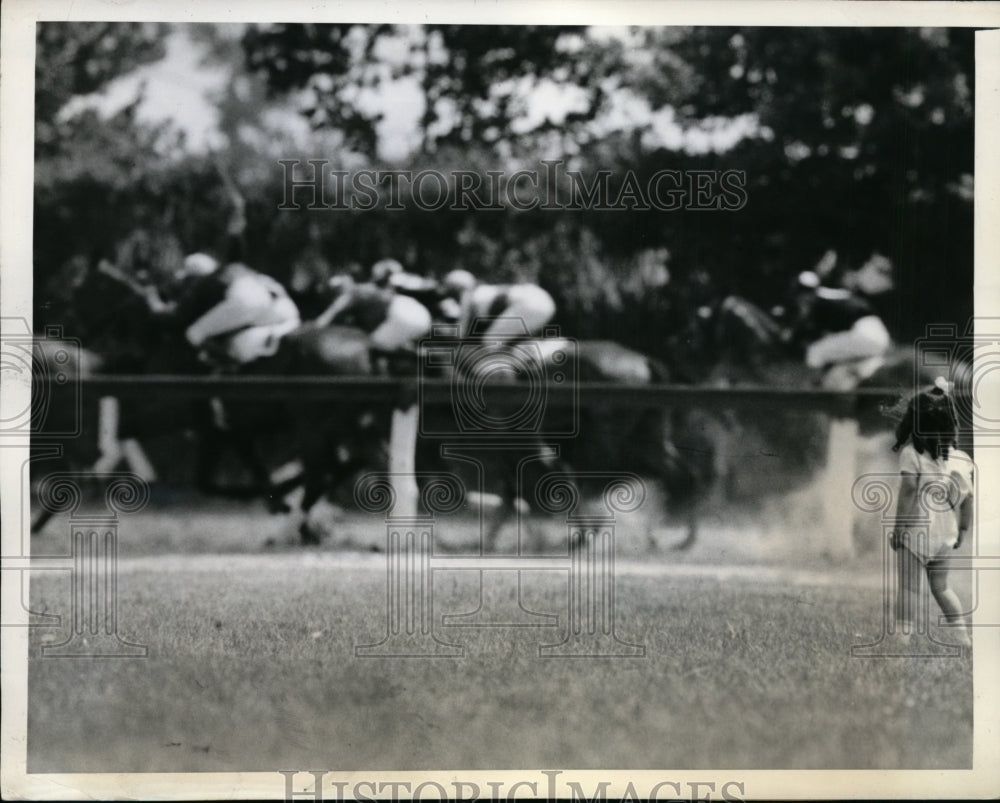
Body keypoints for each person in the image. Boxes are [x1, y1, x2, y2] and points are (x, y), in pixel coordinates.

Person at [889, 385, 974, 651]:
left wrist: (898, 529)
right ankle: (963, 637)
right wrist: (961, 531)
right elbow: (968, 498)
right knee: (942, 587)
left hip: (917, 527)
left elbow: (910, 491)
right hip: (946, 532)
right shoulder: (960, 459)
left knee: (909, 589)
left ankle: (901, 640)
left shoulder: (912, 454)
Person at [792, 252, 893, 375]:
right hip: (876, 336)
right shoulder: (832, 296)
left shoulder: (819, 298)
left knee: (815, 352)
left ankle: (811, 391)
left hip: (865, 335)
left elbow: (805, 323)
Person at [314, 273, 432, 353]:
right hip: (414, 309)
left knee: (371, 348)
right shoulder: (366, 288)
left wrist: (312, 328)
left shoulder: (351, 293)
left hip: (401, 315)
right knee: (387, 345)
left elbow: (329, 316)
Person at [442, 269, 556, 342]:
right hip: (542, 300)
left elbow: (460, 334)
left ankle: (503, 379)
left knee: (490, 341)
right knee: (513, 343)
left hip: (528, 303)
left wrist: (435, 329)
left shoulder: (467, 295)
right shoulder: (483, 290)